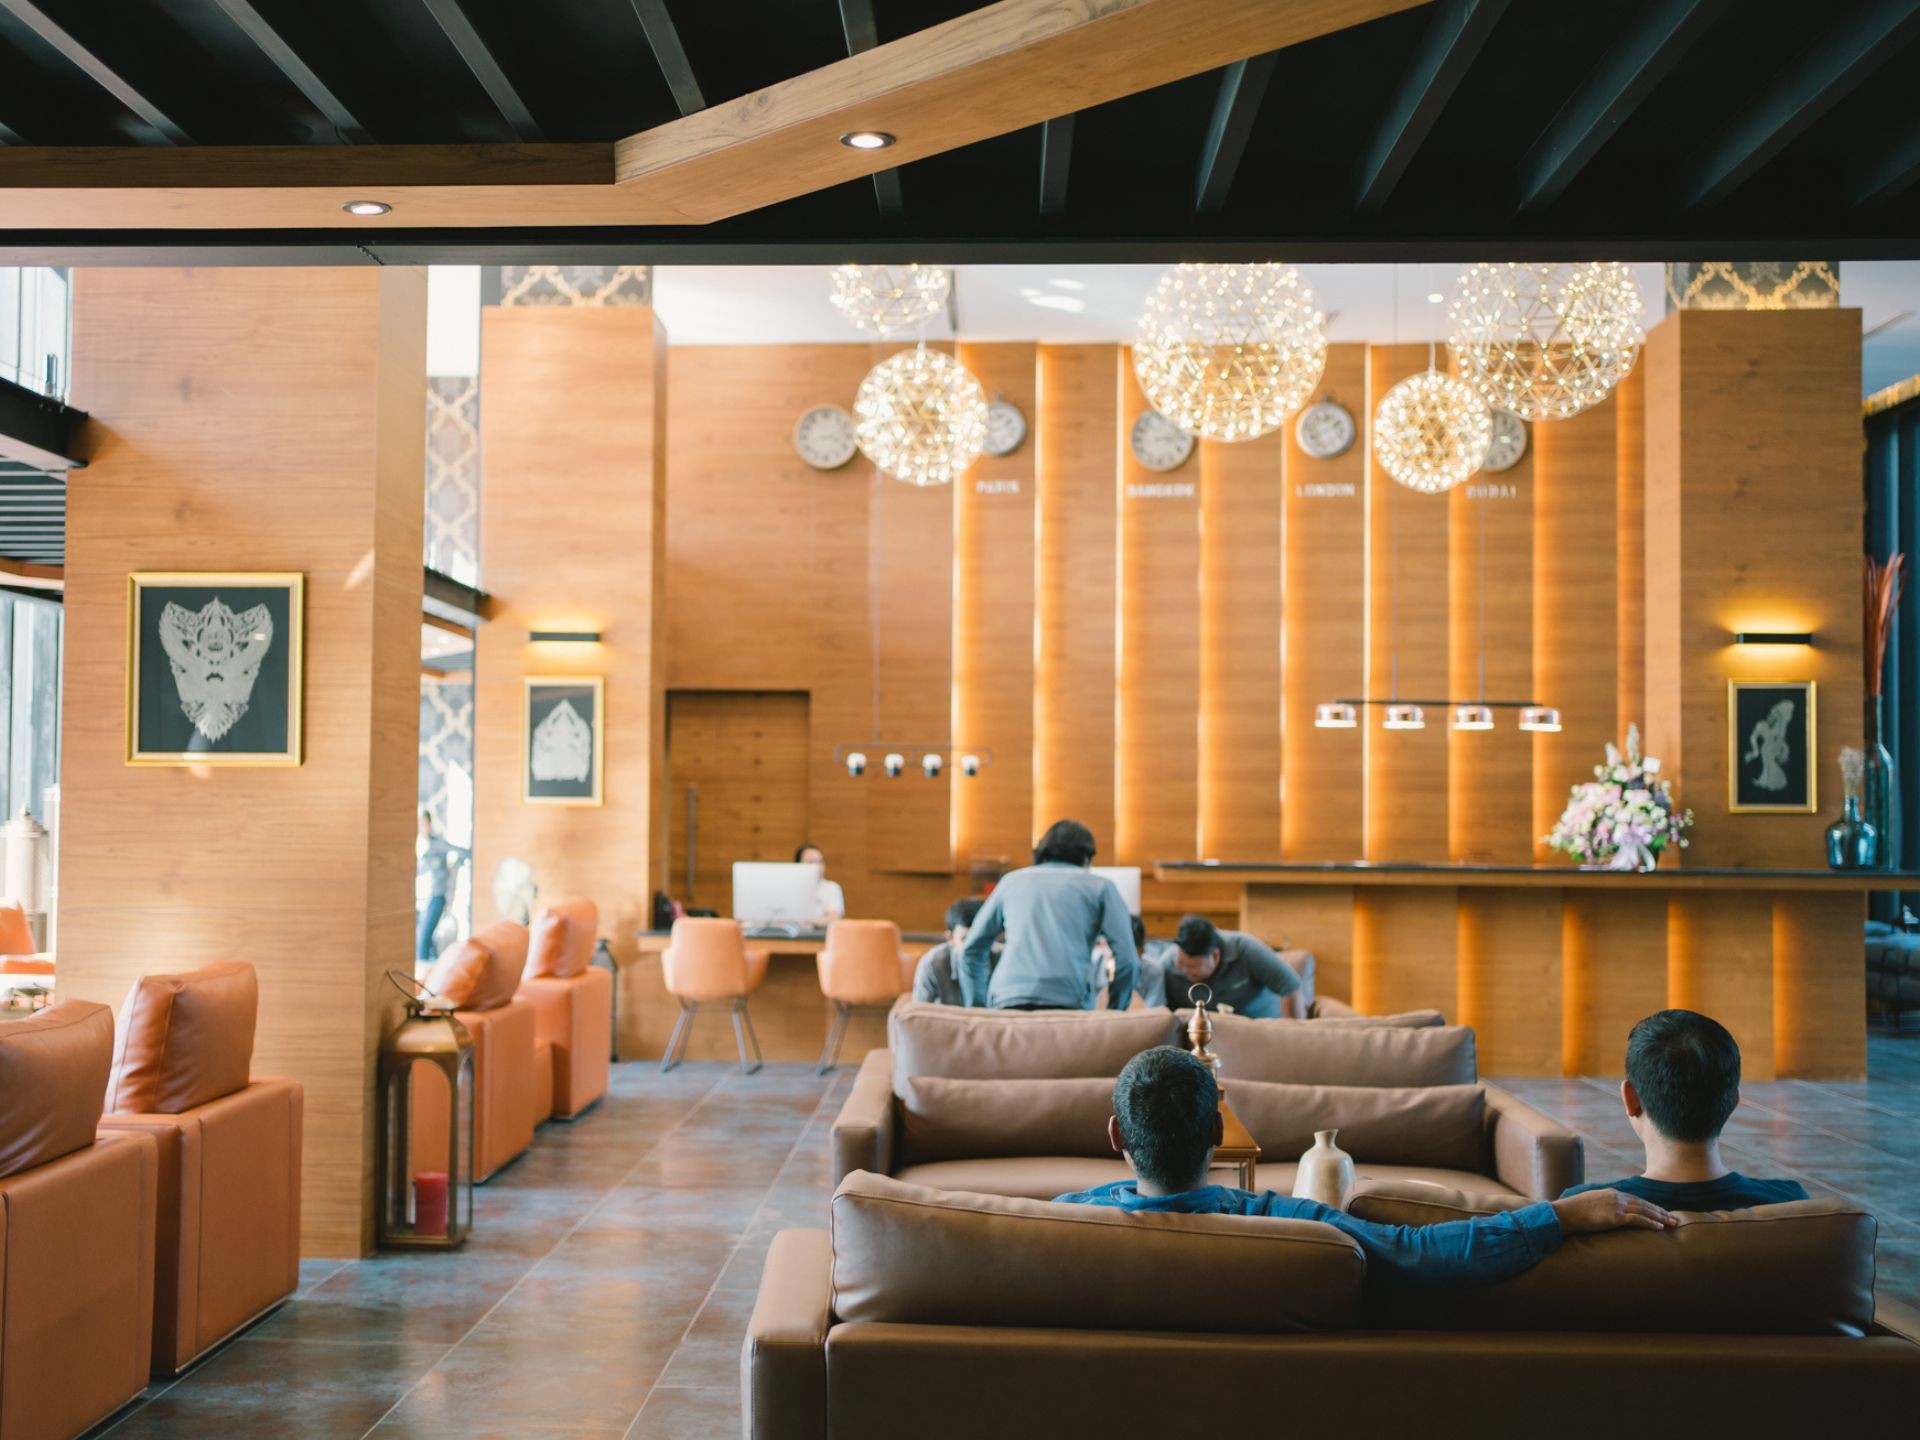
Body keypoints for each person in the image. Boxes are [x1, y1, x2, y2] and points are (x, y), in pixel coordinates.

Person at [1057, 1047, 1676, 1288]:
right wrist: (1560, 1216)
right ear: (1220, 1135)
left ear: (1116, 1136)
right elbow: (1429, 1252)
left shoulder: (1055, 1227)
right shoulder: (1296, 1228)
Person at [1560, 1009, 1809, 1211]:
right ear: (1734, 1100)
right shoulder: (1792, 1204)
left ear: (1630, 1099)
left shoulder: (1579, 1210)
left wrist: (1561, 1215)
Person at [959, 819, 1139, 1010]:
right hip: (1069, 1001)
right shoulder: (1101, 887)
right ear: (1087, 857)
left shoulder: (1010, 882)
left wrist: (978, 1007)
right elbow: (1127, 960)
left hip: (1007, 998)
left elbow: (971, 950)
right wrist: (1115, 1010)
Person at [1159, 915, 1301, 1018]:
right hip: (1203, 1035)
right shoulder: (1167, 964)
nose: (1184, 970)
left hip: (1260, 1027)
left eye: (1193, 967)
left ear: (1215, 955)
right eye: (1181, 963)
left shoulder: (1246, 949)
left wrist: (1292, 1035)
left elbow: (1291, 988)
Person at [416, 809, 470, 961]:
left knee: (423, 940)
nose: (420, 826)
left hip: (436, 896)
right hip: (421, 898)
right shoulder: (419, 845)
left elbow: (464, 853)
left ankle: (425, 972)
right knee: (427, 941)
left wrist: (454, 867)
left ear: (429, 823)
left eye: (423, 822)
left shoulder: (437, 845)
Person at [913, 897, 987, 1005]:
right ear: (950, 938)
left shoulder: (1002, 958)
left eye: (982, 938)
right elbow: (920, 1010)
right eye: (965, 939)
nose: (975, 947)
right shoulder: (932, 964)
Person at [795, 843, 845, 925]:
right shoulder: (789, 889)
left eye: (820, 862)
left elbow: (835, 916)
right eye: (811, 862)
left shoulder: (831, 887)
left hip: (820, 932)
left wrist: (812, 923)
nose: (818, 866)